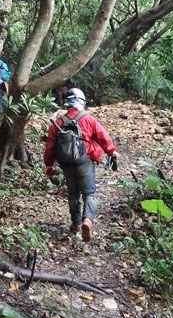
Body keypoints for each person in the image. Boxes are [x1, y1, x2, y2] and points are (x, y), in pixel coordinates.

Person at [43, 88, 118, 242]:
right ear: (82, 102)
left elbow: (50, 146)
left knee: (73, 194)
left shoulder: (58, 123)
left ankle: (76, 225)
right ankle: (87, 221)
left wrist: (49, 165)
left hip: (66, 164)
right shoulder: (88, 119)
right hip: (85, 161)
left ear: (68, 103)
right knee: (89, 193)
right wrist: (112, 152)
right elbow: (103, 137)